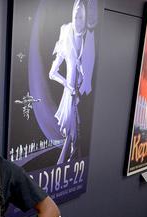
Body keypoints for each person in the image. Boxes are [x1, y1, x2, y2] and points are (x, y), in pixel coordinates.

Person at [49, 0, 95, 164]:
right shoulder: (66, 35)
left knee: (74, 134)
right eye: (76, 16)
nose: (77, 20)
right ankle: (67, 161)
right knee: (72, 133)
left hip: (80, 95)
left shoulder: (87, 39)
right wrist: (68, 86)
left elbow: (86, 73)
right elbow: (52, 73)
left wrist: (81, 79)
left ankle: (69, 161)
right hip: (70, 95)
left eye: (81, 17)